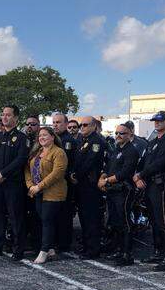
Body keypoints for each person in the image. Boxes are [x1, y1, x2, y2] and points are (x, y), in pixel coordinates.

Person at [135, 111, 165, 271]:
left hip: (161, 186)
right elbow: (144, 161)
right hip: (149, 185)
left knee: (163, 221)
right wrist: (138, 176)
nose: (157, 123)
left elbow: (159, 164)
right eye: (155, 121)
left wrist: (141, 175)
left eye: (160, 121)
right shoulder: (152, 142)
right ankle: (158, 252)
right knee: (153, 220)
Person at [0, 104, 28, 258]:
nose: (4, 117)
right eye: (3, 114)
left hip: (13, 184)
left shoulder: (21, 138)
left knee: (16, 216)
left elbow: (21, 159)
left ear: (16, 118)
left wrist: (3, 173)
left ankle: (18, 249)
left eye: (8, 115)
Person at [26, 126, 69, 264]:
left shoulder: (59, 152)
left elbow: (57, 173)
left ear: (52, 137)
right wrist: (30, 185)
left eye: (45, 135)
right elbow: (27, 168)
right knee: (42, 220)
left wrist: (39, 186)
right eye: (40, 136)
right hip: (37, 192)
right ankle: (50, 249)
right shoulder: (37, 151)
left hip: (53, 193)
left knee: (47, 221)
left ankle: (43, 251)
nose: (42, 138)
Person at [99, 122, 139, 266]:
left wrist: (107, 181)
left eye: (121, 133)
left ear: (130, 135)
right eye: (116, 133)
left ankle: (127, 254)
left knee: (125, 222)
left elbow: (125, 172)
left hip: (124, 190)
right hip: (112, 190)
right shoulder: (116, 149)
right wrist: (102, 178)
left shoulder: (131, 151)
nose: (118, 136)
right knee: (114, 221)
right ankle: (118, 250)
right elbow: (108, 166)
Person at [71, 115, 107, 260]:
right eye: (81, 125)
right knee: (84, 218)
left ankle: (93, 249)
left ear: (93, 126)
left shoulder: (96, 142)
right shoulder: (81, 140)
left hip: (91, 185)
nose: (82, 128)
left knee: (92, 218)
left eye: (85, 125)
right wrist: (73, 173)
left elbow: (89, 162)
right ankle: (86, 246)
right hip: (81, 184)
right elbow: (76, 159)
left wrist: (76, 174)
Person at [51, 112, 77, 257]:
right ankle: (55, 241)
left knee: (65, 214)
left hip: (66, 182)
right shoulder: (52, 139)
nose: (55, 125)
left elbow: (74, 162)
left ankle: (64, 243)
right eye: (54, 122)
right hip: (52, 183)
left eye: (59, 122)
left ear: (66, 124)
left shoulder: (70, 141)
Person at [22, 115, 42, 255]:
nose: (30, 126)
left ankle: (37, 244)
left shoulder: (41, 142)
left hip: (38, 185)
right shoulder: (21, 139)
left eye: (33, 124)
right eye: (28, 124)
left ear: (38, 126)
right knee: (23, 214)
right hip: (22, 183)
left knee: (37, 215)